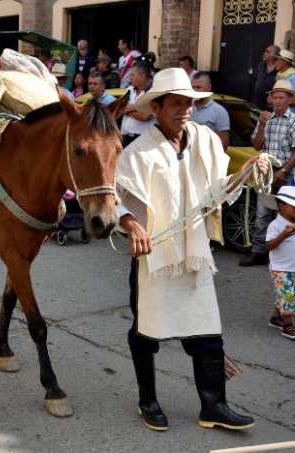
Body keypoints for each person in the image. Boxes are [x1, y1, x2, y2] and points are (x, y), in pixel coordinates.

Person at [117, 67, 261, 432]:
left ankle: (213, 406)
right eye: (177, 103)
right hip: (155, 257)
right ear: (158, 107)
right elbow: (118, 196)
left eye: (190, 104)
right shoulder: (137, 152)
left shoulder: (206, 140)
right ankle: (147, 401)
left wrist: (245, 175)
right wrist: (131, 224)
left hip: (195, 251)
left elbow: (217, 191)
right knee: (146, 332)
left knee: (206, 331)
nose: (185, 110)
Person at [241, 80, 295, 266]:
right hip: (266, 171)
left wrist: (284, 171)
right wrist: (262, 125)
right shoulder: (266, 119)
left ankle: (283, 254)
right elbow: (257, 145)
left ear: (290, 100)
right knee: (262, 214)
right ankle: (259, 252)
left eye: (282, 97)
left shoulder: (294, 121)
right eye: (275, 97)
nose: (277, 101)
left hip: (286, 174)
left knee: (286, 213)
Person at [266, 185, 295, 340]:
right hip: (281, 268)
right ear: (282, 206)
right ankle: (288, 326)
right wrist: (284, 235)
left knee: (286, 295)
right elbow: (269, 246)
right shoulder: (275, 225)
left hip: (293, 266)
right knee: (288, 297)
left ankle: (276, 318)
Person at [191, 72, 230, 150]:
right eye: (193, 87)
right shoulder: (186, 108)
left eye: (198, 87)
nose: (195, 91)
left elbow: (223, 143)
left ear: (209, 88)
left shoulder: (219, 111)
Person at [121, 64, 154, 147]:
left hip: (142, 139)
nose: (130, 78)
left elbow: (145, 117)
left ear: (142, 76)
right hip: (125, 138)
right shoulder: (129, 90)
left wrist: (128, 109)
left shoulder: (152, 92)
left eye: (132, 75)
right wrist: (137, 109)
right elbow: (120, 109)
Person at [253, 45, 280, 110]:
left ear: (275, 55)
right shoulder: (261, 66)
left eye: (268, 52)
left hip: (270, 107)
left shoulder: (279, 70)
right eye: (265, 51)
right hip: (256, 104)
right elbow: (254, 81)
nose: (264, 53)